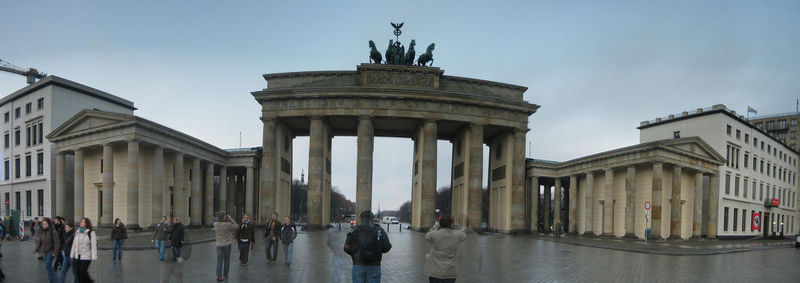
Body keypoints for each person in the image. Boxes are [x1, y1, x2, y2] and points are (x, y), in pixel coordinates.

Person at [344, 211, 392, 283]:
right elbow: (387, 247)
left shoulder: (353, 230)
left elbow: (346, 248)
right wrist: (378, 250)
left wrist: (354, 253)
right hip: (374, 265)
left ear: (361, 219)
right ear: (372, 219)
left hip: (358, 265)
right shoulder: (379, 230)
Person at [424, 215, 467, 283]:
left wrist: (437, 224)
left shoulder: (435, 234)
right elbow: (463, 233)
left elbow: (427, 235)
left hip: (435, 272)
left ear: (440, 223)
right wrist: (454, 223)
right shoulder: (457, 235)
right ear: (451, 223)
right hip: (450, 272)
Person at [34, 217, 60, 283]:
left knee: (48, 265)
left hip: (51, 251)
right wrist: (36, 249)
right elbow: (40, 241)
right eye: (43, 224)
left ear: (49, 224)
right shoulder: (42, 231)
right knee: (48, 267)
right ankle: (53, 280)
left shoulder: (53, 231)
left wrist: (55, 252)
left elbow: (57, 242)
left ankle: (53, 280)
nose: (44, 225)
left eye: (45, 224)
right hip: (45, 251)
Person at [71, 218, 97, 283]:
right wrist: (72, 254)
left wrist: (94, 256)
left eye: (83, 222)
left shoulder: (91, 233)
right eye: (81, 222)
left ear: (86, 224)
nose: (81, 223)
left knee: (82, 272)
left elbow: (93, 245)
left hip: (86, 256)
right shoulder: (77, 232)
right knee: (78, 273)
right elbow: (74, 244)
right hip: (78, 255)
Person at [214, 211, 238, 281]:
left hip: (218, 245)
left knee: (219, 261)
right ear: (224, 217)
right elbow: (237, 226)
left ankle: (218, 276)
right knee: (226, 261)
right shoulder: (228, 224)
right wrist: (231, 219)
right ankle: (225, 275)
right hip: (227, 245)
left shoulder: (215, 224)